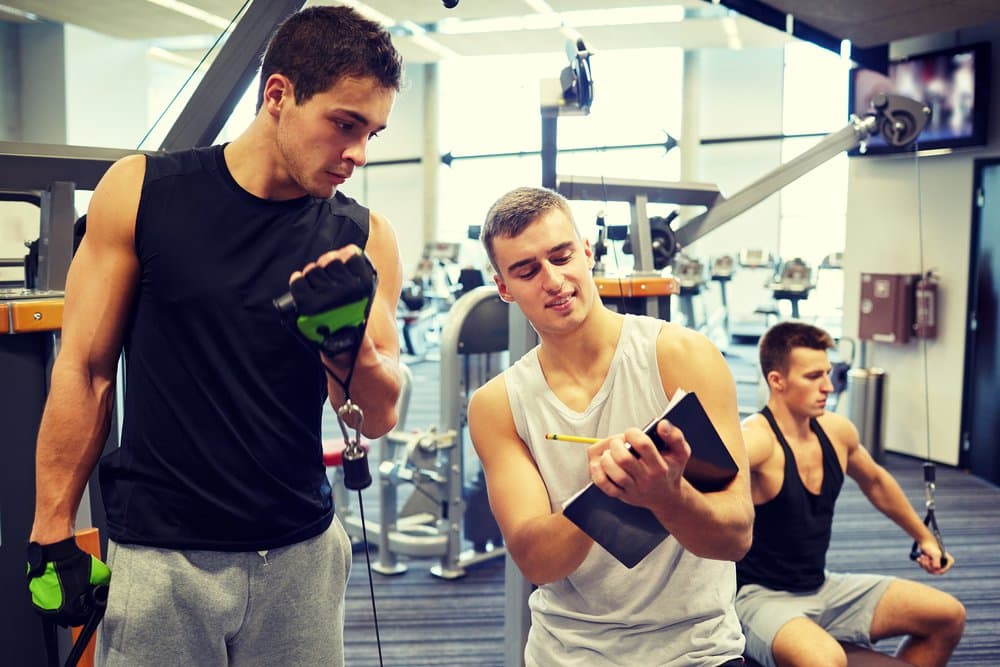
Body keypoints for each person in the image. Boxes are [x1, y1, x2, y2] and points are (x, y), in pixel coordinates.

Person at [25, 7, 404, 665]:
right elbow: (86, 370)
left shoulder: (362, 237)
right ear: (279, 95)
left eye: (372, 132)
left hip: (300, 557)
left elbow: (378, 414)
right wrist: (52, 527)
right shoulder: (142, 192)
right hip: (164, 557)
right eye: (344, 124)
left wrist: (350, 348)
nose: (357, 154)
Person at [468, 186, 754, 666]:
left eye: (561, 257)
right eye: (527, 270)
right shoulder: (498, 404)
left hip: (696, 651)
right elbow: (536, 560)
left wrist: (667, 495)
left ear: (587, 252)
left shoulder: (680, 357)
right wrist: (604, 496)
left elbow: (736, 537)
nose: (553, 281)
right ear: (504, 287)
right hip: (571, 654)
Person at [736, 321, 966, 667]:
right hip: (759, 599)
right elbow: (703, 480)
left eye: (828, 373)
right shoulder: (756, 440)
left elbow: (876, 482)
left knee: (948, 616)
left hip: (823, 587)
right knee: (826, 661)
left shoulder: (837, 431)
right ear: (777, 381)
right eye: (813, 376)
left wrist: (925, 538)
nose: (828, 386)